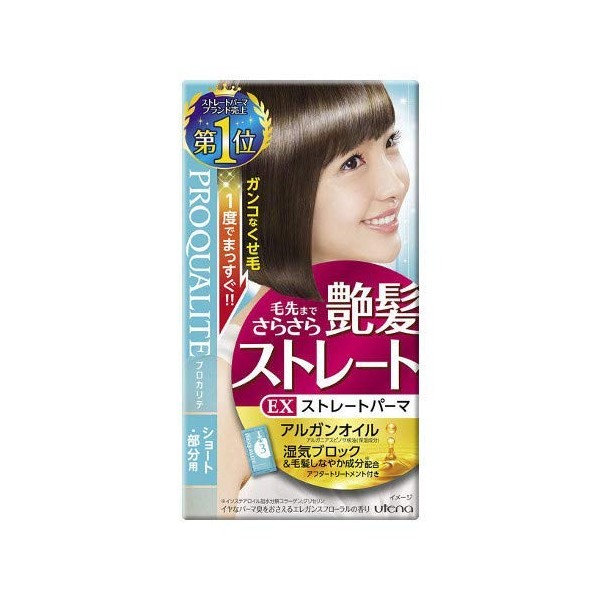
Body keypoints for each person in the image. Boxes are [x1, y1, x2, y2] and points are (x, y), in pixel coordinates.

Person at [216, 82, 416, 518]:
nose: (394, 184)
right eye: (351, 162)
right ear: (280, 191)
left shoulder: (397, 328)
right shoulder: (226, 379)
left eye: (390, 142)